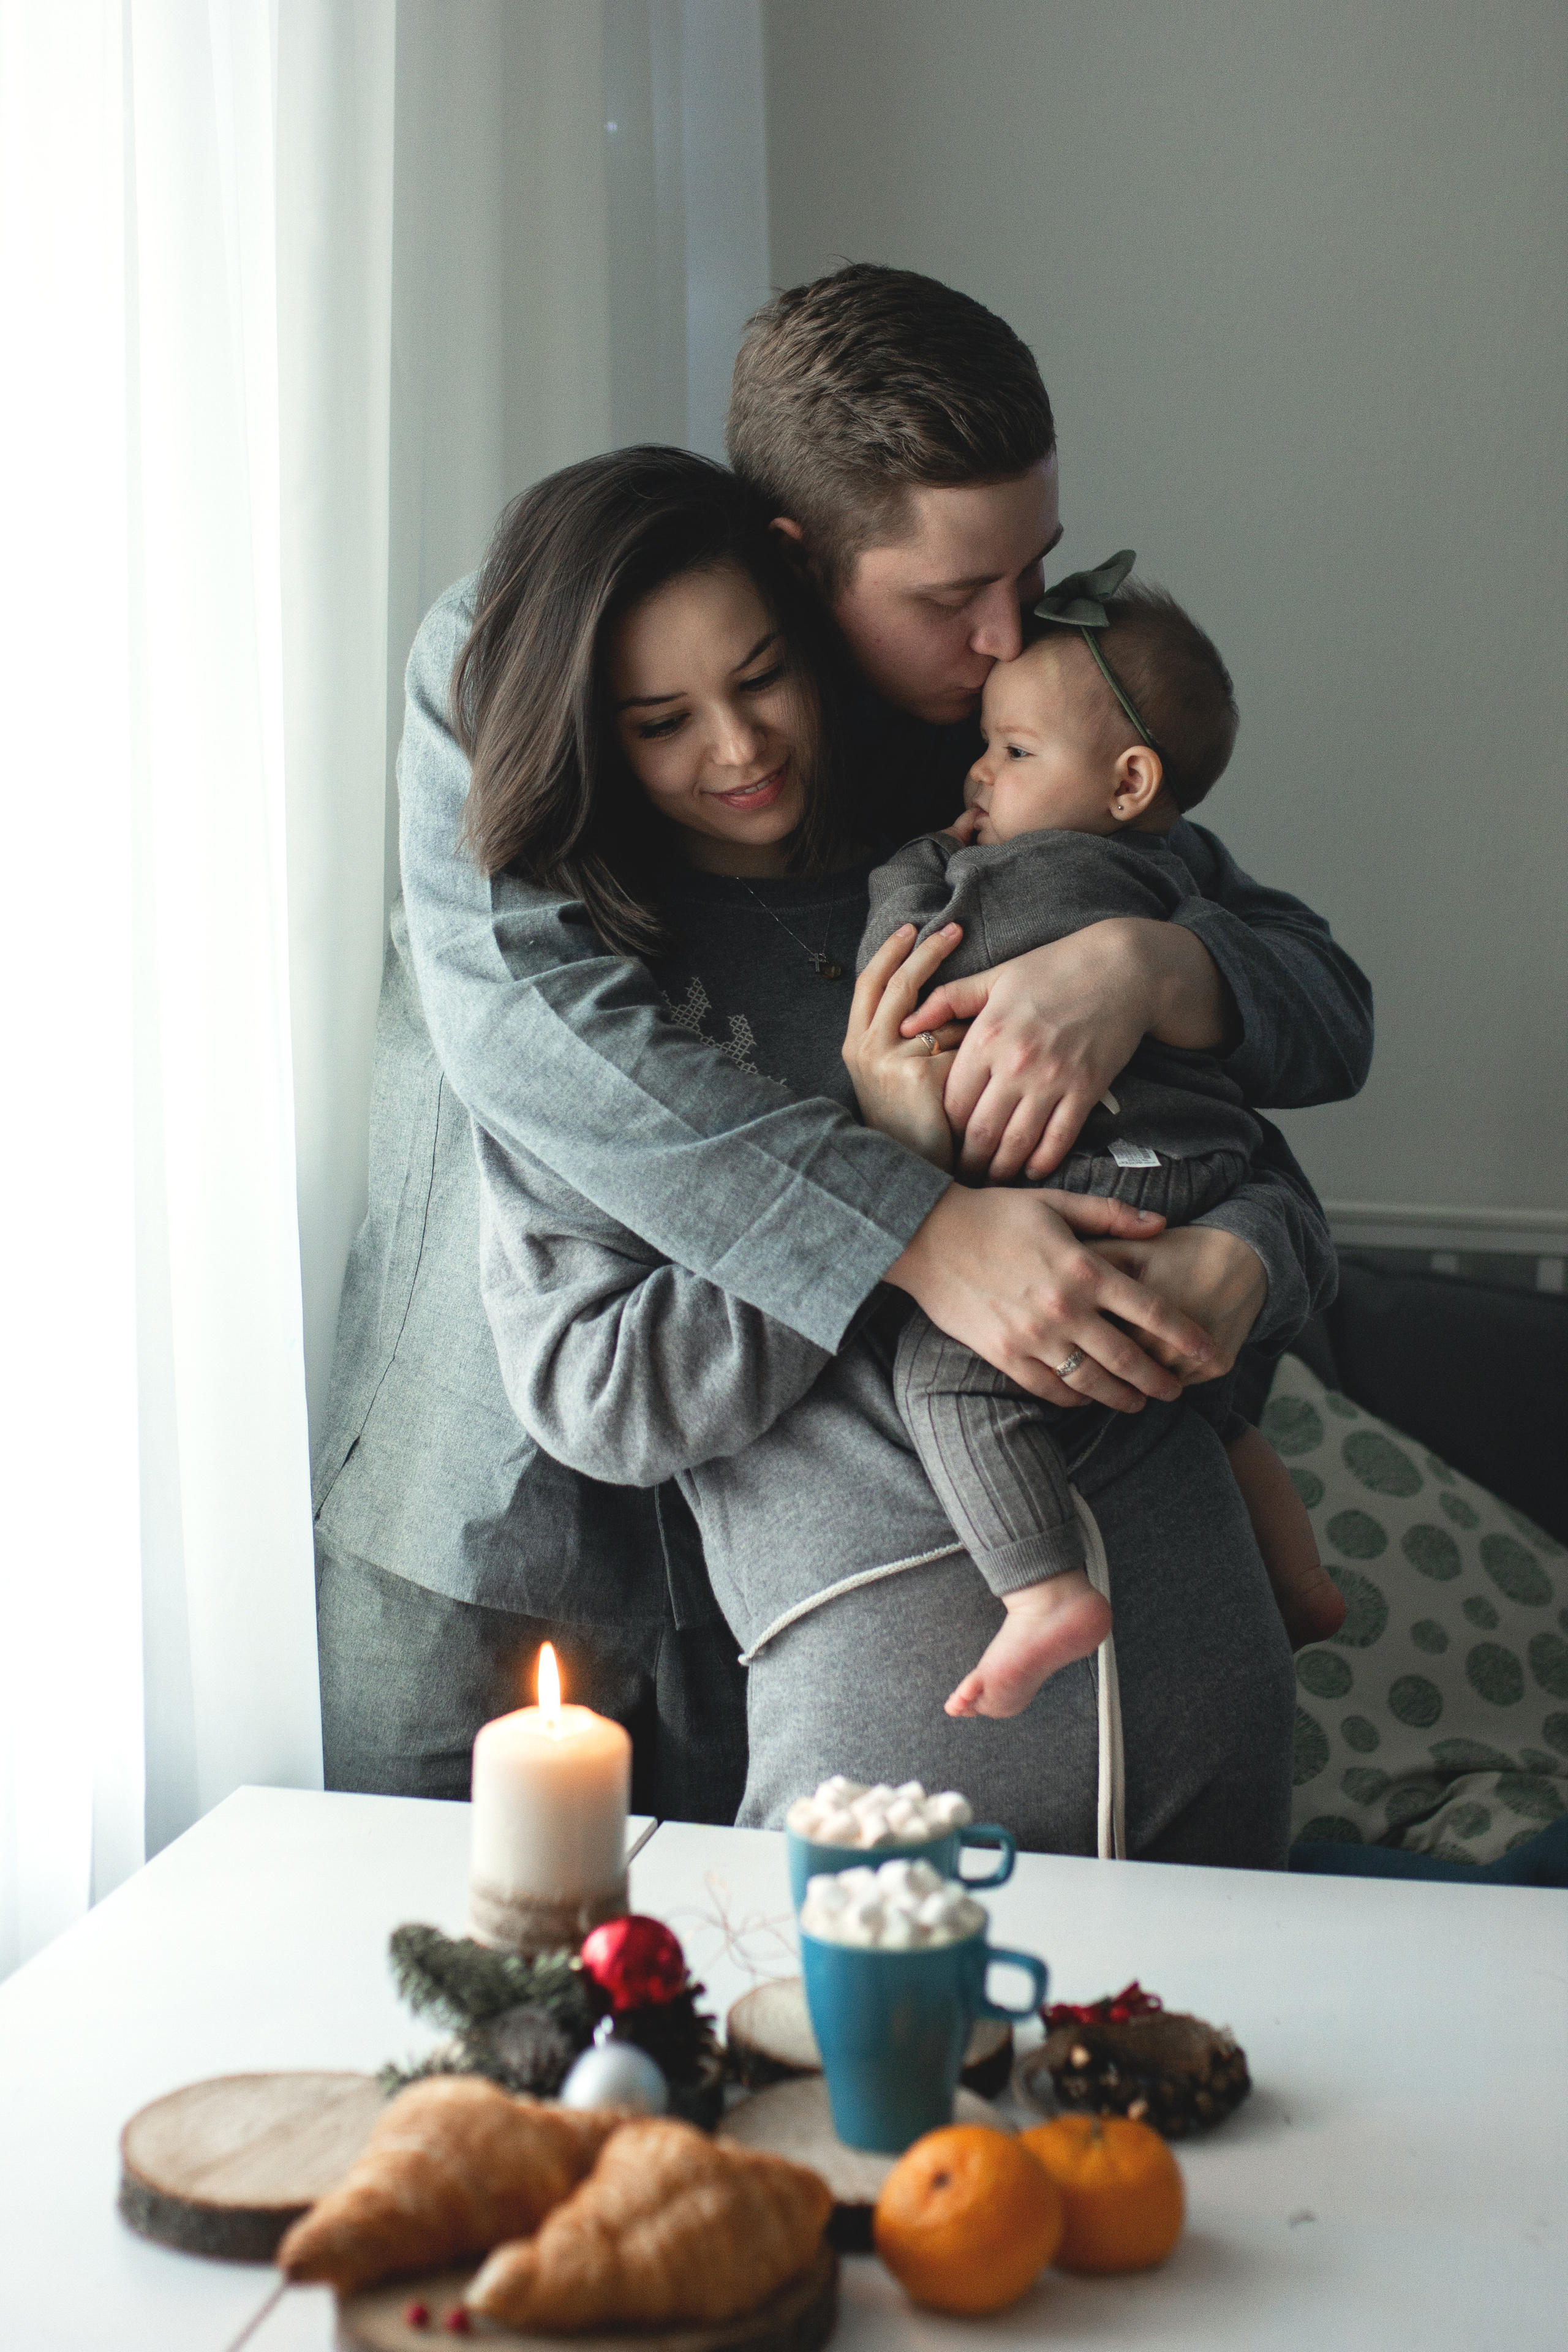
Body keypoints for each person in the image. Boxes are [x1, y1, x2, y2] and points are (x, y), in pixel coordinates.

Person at [312, 263, 1371, 1817]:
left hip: (803, 1557)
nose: (1008, 633)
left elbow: (1312, 1006)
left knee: (755, 1961)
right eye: (951, 596)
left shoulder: (987, 747)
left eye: (1036, 568)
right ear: (800, 563)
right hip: (497, 1490)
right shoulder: (521, 645)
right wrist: (919, 1221)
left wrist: (1147, 966)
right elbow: (540, 1030)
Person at [848, 554, 1343, 1722]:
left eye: (1014, 752)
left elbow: (902, 959)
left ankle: (1043, 1592)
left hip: (1085, 1177)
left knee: (949, 1378)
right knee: (1203, 1401)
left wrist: (918, 872)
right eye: (987, 742)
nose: (980, 770)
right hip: (1206, 1170)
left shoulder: (976, 872)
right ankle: (1302, 1580)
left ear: (1130, 781)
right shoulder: (1179, 872)